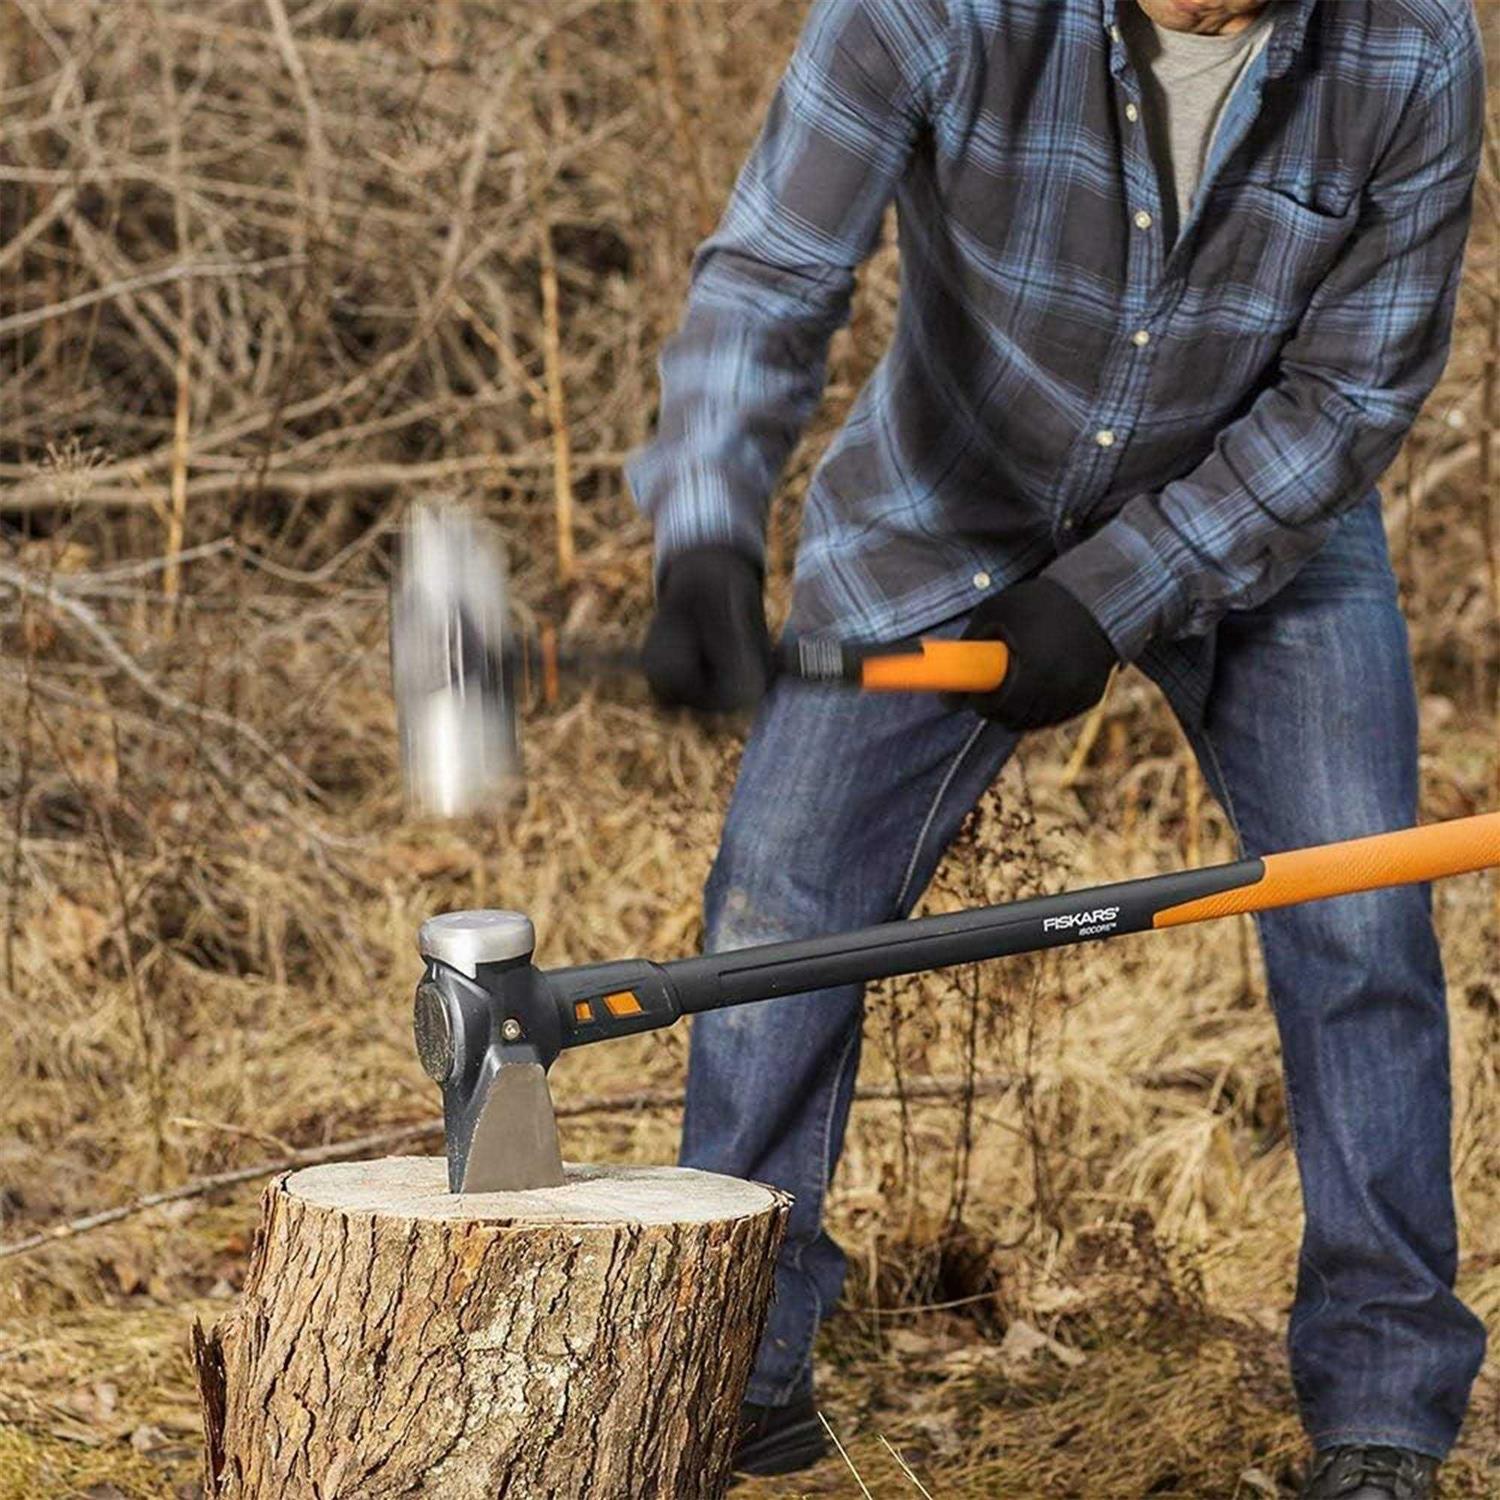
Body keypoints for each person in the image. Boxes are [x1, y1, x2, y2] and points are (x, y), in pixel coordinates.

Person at [626, 1, 1488, 1494]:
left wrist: (1113, 591)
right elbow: (773, 272)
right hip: (943, 506)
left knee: (1361, 925)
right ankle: (737, 1368)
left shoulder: (1410, 44)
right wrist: (706, 528)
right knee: (785, 915)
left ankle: (1385, 1406)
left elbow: (1350, 395)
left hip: (1264, 518)